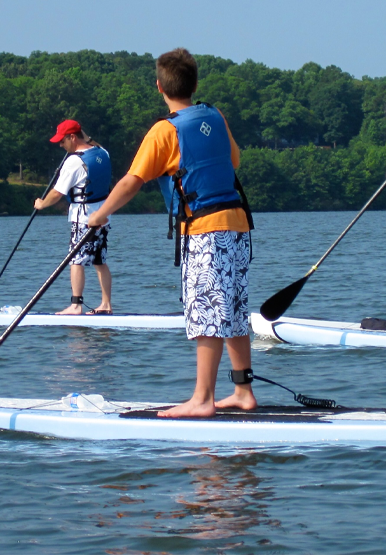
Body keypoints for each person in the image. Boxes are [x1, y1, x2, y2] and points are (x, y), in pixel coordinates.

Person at [88, 48, 255, 418]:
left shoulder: (165, 131)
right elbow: (234, 160)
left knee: (208, 311)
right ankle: (243, 391)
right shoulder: (215, 114)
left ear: (159, 86)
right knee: (234, 308)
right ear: (194, 84)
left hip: (204, 230)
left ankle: (202, 399)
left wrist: (99, 214)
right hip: (238, 225)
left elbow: (133, 181)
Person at [34, 120, 113, 315]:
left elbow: (57, 193)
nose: (61, 146)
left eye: (62, 141)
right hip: (103, 216)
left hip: (83, 218)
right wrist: (84, 134)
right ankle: (106, 304)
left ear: (72, 137)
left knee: (75, 260)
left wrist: (41, 204)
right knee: (99, 260)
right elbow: (92, 143)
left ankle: (76, 305)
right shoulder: (103, 153)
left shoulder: (74, 161)